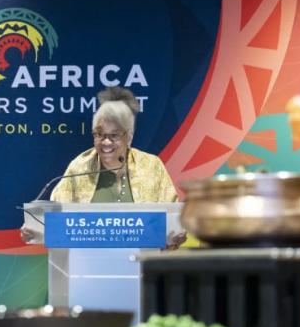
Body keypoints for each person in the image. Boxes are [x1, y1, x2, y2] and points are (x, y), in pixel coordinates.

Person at [22, 87, 182, 244]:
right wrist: (36, 230)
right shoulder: (80, 167)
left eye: (114, 135)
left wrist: (175, 235)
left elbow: (172, 218)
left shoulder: (151, 167)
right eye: (99, 134)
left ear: (130, 137)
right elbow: (56, 221)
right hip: (86, 265)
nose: (106, 142)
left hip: (142, 265)